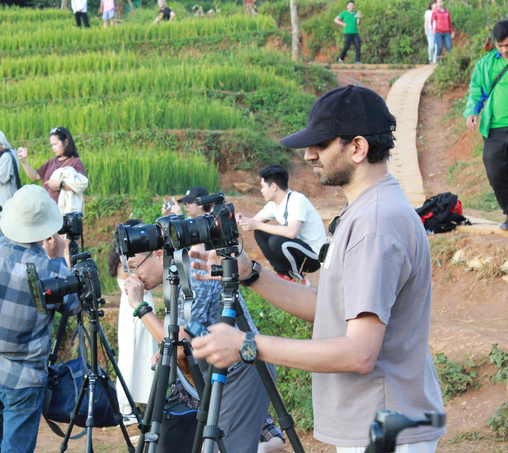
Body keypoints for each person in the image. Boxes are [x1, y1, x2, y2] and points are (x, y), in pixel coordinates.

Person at [191, 85, 446, 451]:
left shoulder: (374, 224)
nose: (309, 155)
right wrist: (251, 273)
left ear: (357, 148)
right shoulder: (369, 211)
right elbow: (331, 308)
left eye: (321, 144)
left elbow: (359, 353)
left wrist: (248, 345)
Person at [0, 185, 76, 453]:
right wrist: (60, 258)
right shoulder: (48, 268)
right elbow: (72, 304)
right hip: (23, 378)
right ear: (46, 228)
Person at [123, 247, 272, 453]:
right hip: (220, 374)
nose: (134, 276)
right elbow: (185, 338)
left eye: (135, 267)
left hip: (240, 371)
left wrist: (140, 306)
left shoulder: (191, 274)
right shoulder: (175, 280)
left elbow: (180, 344)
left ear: (158, 255)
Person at [236, 165, 326, 285]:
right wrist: (241, 219)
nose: (261, 191)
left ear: (273, 186)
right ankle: (283, 274)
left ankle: (298, 278)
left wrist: (256, 225)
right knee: (260, 233)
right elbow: (253, 223)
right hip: (296, 249)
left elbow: (291, 232)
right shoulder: (274, 205)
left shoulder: (296, 200)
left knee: (276, 241)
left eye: (263, 187)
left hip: (314, 256)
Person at [107, 220, 157, 423]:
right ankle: (126, 406)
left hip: (134, 306)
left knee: (142, 353)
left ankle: (137, 403)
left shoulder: (124, 255)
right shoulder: (126, 258)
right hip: (134, 307)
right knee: (131, 355)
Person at [465, 20, 508, 231]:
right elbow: (476, 91)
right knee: (495, 170)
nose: (505, 49)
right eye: (501, 46)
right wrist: (472, 112)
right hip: (495, 129)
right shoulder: (486, 64)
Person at [18, 127, 88, 214]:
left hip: (62, 213)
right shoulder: (52, 162)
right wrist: (24, 162)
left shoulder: (75, 162)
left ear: (66, 142)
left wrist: (60, 184)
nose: (53, 148)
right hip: (47, 211)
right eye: (52, 145)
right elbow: (35, 176)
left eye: (55, 144)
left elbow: (81, 185)